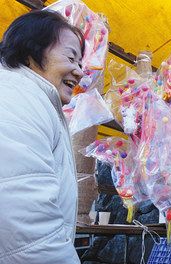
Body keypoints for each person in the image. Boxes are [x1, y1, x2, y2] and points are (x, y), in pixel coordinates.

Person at [0, 10, 84, 263]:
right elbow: (25, 227)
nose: (79, 72)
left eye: (80, 63)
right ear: (30, 50)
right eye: (71, 57)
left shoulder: (33, 99)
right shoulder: (15, 98)